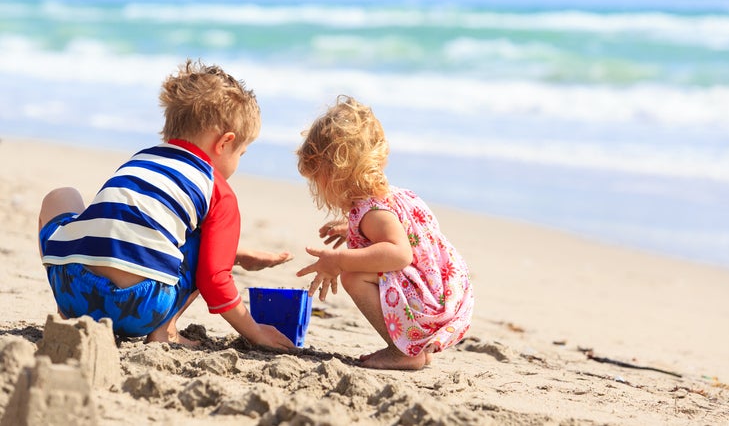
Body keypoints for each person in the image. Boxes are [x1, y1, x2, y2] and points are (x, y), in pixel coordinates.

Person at [38, 60, 294, 350]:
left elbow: (130, 232)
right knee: (200, 236)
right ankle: (165, 330)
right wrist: (255, 331)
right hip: (141, 308)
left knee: (60, 195)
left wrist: (235, 253)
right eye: (241, 154)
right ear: (225, 142)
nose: (238, 163)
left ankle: (65, 314)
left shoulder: (141, 159)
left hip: (73, 291)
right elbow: (213, 278)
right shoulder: (217, 189)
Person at [295, 95, 475, 370]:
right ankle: (412, 347)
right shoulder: (387, 199)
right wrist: (352, 229)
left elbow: (399, 254)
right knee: (360, 270)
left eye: (319, 181)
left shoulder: (373, 212)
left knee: (353, 277)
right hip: (444, 291)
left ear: (337, 174)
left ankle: (405, 352)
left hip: (430, 303)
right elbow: (397, 234)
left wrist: (340, 260)